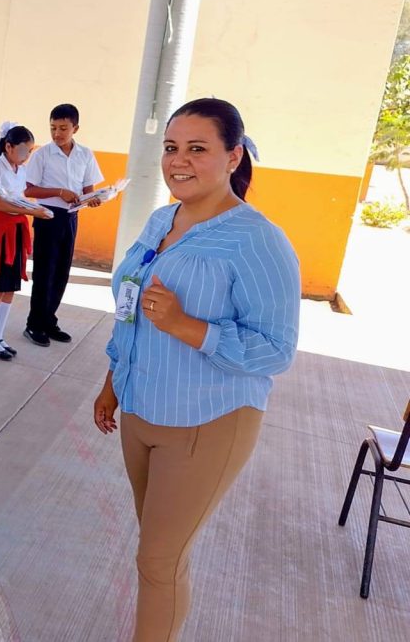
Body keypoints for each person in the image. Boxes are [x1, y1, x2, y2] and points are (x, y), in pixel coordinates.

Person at [92, 98, 300, 642]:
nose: (178, 160)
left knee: (158, 561)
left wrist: (190, 326)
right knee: (161, 553)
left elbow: (277, 351)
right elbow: (129, 308)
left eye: (197, 149)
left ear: (233, 157)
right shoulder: (164, 218)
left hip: (207, 421)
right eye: (171, 147)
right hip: (141, 410)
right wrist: (112, 382)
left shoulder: (258, 240)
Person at [23, 103, 103, 347]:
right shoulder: (42, 155)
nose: (57, 133)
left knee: (61, 273)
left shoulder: (85, 154)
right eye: (53, 128)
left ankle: (49, 320)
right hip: (47, 217)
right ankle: (34, 325)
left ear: (75, 128)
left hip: (71, 218)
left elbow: (88, 189)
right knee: (44, 273)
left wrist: (94, 199)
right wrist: (59, 192)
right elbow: (29, 189)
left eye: (63, 128)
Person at [0, 123, 52, 360]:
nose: (26, 156)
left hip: (15, 230)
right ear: (8, 147)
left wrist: (34, 208)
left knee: (10, 286)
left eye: (29, 151)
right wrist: (33, 212)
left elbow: (20, 199)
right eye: (23, 151)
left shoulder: (20, 170)